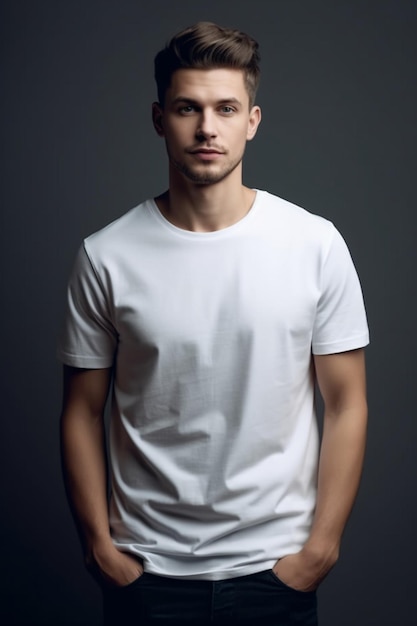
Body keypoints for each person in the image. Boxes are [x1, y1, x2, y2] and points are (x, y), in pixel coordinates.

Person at [58, 21, 369, 625]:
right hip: (147, 575)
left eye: (226, 108)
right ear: (158, 119)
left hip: (274, 572)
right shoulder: (106, 255)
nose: (207, 128)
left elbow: (348, 402)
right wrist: (99, 547)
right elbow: (79, 410)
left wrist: (321, 549)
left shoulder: (314, 244)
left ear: (252, 120)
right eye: (187, 108)